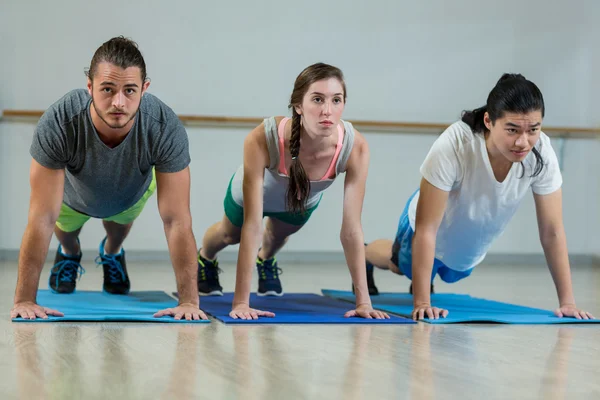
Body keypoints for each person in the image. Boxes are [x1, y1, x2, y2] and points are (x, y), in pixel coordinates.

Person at [364, 73, 594, 321]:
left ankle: (425, 274)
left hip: (466, 243)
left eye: (533, 130)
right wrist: (422, 302)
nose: (522, 141)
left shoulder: (542, 152)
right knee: (399, 264)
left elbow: (552, 231)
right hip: (425, 224)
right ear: (488, 121)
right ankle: (364, 253)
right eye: (512, 129)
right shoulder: (455, 143)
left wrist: (568, 302)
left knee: (454, 273)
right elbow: (426, 228)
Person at [10, 36, 207, 321]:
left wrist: (189, 302)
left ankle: (112, 252)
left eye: (129, 90)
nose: (118, 102)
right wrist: (24, 300)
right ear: (89, 87)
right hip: (72, 193)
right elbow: (42, 216)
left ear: (144, 89)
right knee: (65, 233)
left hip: (130, 191)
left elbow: (177, 219)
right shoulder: (60, 122)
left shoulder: (163, 127)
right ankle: (69, 252)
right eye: (107, 89)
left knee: (116, 232)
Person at [197, 62, 389, 320]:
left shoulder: (355, 148)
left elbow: (351, 229)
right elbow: (252, 224)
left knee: (276, 238)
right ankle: (205, 258)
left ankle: (265, 260)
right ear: (298, 105)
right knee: (229, 235)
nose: (327, 111)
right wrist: (241, 303)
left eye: (336, 100)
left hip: (299, 201)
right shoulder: (262, 138)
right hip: (251, 195)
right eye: (318, 99)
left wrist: (363, 303)